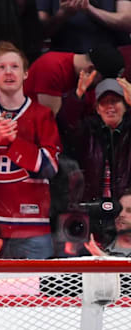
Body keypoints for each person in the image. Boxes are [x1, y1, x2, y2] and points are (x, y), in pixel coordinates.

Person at [0, 41, 62, 259]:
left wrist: (14, 143)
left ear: (26, 73)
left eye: (14, 67)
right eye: (1, 67)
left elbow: (50, 168)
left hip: (32, 226)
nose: (8, 72)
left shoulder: (42, 115)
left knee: (37, 292)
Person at [65, 78, 131, 243]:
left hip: (127, 213)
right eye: (104, 102)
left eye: (115, 101)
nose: (110, 107)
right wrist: (77, 96)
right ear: (97, 108)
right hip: (92, 212)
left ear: (125, 105)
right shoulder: (87, 131)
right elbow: (67, 126)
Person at [23, 45, 125, 116]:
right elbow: (49, 121)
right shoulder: (52, 67)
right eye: (102, 80)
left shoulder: (86, 80)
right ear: (90, 69)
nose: (102, 85)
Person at [37, 0, 131, 54]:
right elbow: (40, 32)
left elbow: (127, 22)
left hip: (111, 61)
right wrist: (63, 14)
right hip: (66, 59)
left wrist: (89, 9)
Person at [85, 189, 131, 257]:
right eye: (119, 209)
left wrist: (104, 259)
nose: (121, 214)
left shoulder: (99, 253)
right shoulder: (96, 247)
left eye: (129, 210)